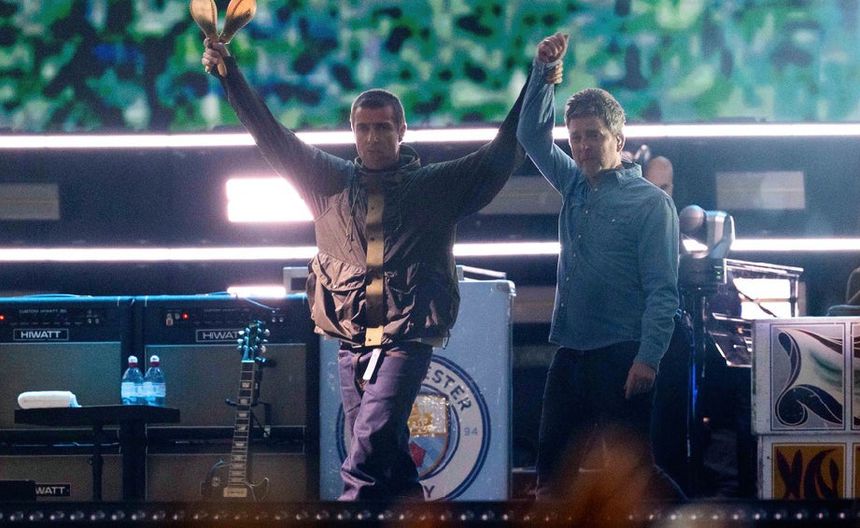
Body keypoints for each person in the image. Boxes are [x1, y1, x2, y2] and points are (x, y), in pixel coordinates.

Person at [202, 39, 525, 501]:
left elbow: (500, 155)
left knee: (369, 445)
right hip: (350, 342)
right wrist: (229, 73)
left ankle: (349, 509)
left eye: (383, 128)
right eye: (364, 128)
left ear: (402, 131)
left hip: (405, 338)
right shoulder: (325, 180)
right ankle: (413, 512)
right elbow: (270, 133)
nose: (373, 137)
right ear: (352, 131)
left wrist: (539, 79)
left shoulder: (435, 187)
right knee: (383, 453)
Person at [516, 32, 681, 500]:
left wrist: (648, 358)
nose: (583, 146)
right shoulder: (574, 184)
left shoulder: (650, 203)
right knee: (551, 477)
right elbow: (530, 136)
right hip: (571, 351)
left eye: (594, 136)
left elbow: (663, 290)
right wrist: (543, 73)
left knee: (635, 478)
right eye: (576, 137)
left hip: (623, 354)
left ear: (618, 140)